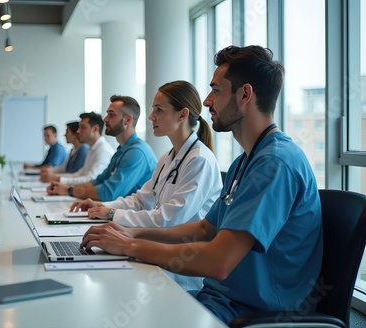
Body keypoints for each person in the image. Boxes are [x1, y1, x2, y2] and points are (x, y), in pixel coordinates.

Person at [80, 45, 323, 324]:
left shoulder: (275, 163)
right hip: (220, 300)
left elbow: (219, 261)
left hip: (254, 314)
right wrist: (132, 235)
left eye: (216, 90)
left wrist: (129, 246)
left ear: (245, 94)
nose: (207, 101)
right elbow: (204, 228)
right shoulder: (245, 162)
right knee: (113, 305)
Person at [71, 81, 223, 290]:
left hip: (180, 275)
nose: (151, 117)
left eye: (158, 110)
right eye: (153, 110)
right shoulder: (168, 157)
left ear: (182, 114)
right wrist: (105, 208)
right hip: (156, 256)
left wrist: (112, 214)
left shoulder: (200, 160)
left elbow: (168, 219)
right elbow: (141, 200)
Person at [47, 96, 157, 201]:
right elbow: (99, 180)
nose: (105, 119)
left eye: (111, 115)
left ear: (127, 120)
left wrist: (70, 190)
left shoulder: (137, 152)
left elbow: (109, 192)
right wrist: (66, 189)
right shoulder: (122, 150)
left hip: (133, 216)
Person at [40, 112, 114, 184]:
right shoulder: (92, 149)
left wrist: (57, 178)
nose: (78, 131)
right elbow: (80, 174)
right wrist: (56, 177)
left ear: (95, 129)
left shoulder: (103, 151)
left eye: (83, 127)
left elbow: (91, 179)